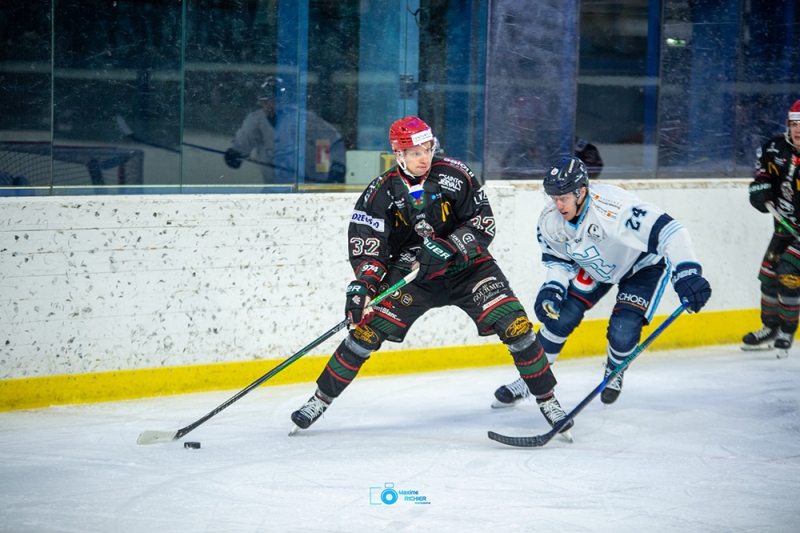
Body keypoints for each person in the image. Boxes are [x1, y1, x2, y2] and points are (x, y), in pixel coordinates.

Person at [289, 116, 574, 439]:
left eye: (427, 148)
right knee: (364, 332)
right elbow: (370, 248)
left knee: (517, 327)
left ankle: (548, 400)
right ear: (398, 155)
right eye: (414, 153)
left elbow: (483, 223)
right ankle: (320, 399)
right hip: (414, 275)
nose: (424, 157)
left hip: (468, 269)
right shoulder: (379, 193)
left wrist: (451, 246)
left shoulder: (457, 174)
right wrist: (364, 286)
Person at [492, 157, 712, 407]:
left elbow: (671, 231)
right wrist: (552, 288)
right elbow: (558, 260)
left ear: (581, 191)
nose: (558, 204)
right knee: (559, 318)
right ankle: (531, 381)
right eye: (553, 197)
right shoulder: (550, 220)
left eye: (563, 197)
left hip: (640, 266)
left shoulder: (614, 209)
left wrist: (688, 272)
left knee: (623, 333)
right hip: (596, 266)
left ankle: (614, 370)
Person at [742, 100, 800, 358]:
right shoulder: (775, 147)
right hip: (784, 229)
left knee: (788, 273)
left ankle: (788, 330)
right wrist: (760, 187)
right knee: (768, 276)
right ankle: (771, 327)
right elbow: (764, 172)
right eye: (794, 124)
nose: (798, 130)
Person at [224, 76, 345, 185]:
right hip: (275, 191)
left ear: (282, 100)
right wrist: (235, 154)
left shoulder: (304, 119)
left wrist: (337, 167)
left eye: (272, 101)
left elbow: (334, 142)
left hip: (308, 189)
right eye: (264, 101)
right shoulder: (256, 121)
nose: (268, 106)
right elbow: (242, 146)